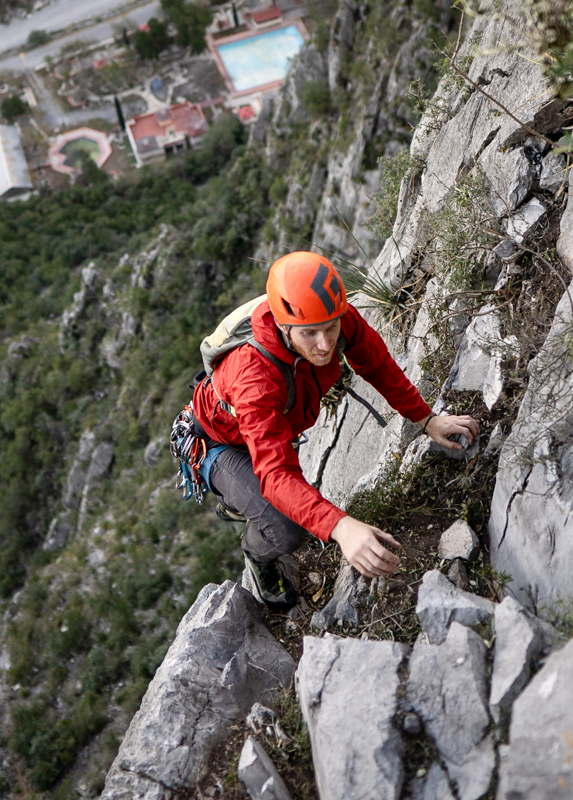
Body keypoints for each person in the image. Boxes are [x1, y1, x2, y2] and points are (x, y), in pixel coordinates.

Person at [187, 251, 478, 610]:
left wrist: (426, 419)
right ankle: (257, 553)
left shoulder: (333, 316)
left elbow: (378, 364)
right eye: (309, 334)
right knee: (285, 527)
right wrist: (340, 527)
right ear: (282, 327)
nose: (325, 345)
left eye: (330, 329)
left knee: (285, 500)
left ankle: (244, 498)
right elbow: (275, 474)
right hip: (217, 443)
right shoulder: (254, 376)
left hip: (269, 425)